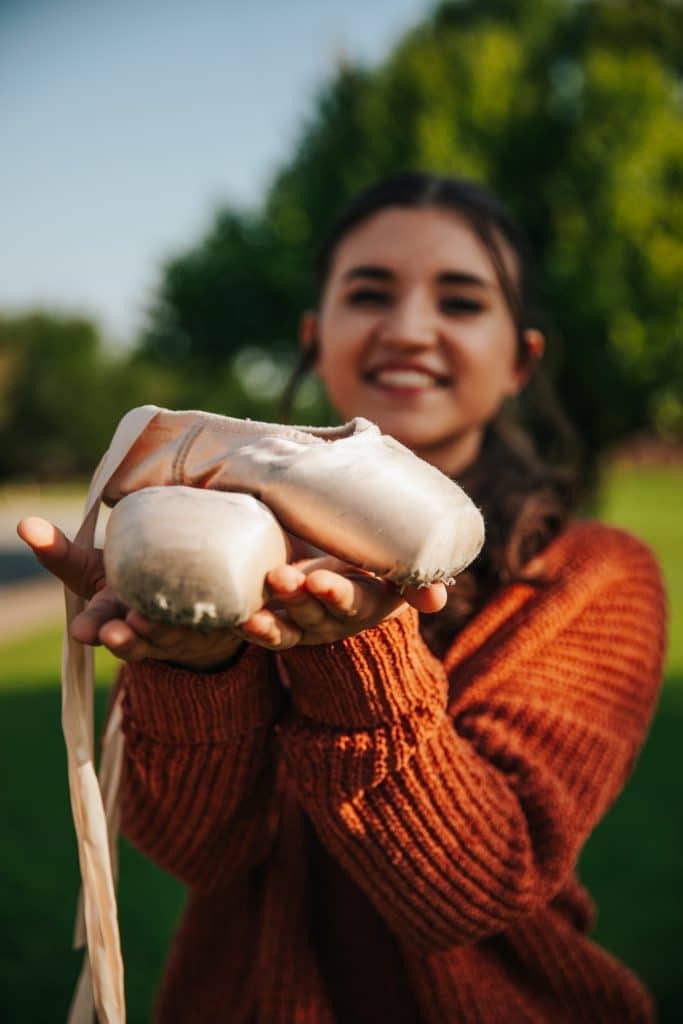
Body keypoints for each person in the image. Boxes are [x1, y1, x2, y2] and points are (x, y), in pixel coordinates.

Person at [19, 172, 667, 1022]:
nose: (406, 330)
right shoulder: (226, 540)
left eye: (461, 301)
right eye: (368, 293)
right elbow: (202, 854)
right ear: (315, 336)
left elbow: (472, 892)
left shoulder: (593, 578)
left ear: (519, 359)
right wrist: (199, 660)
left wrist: (355, 651)